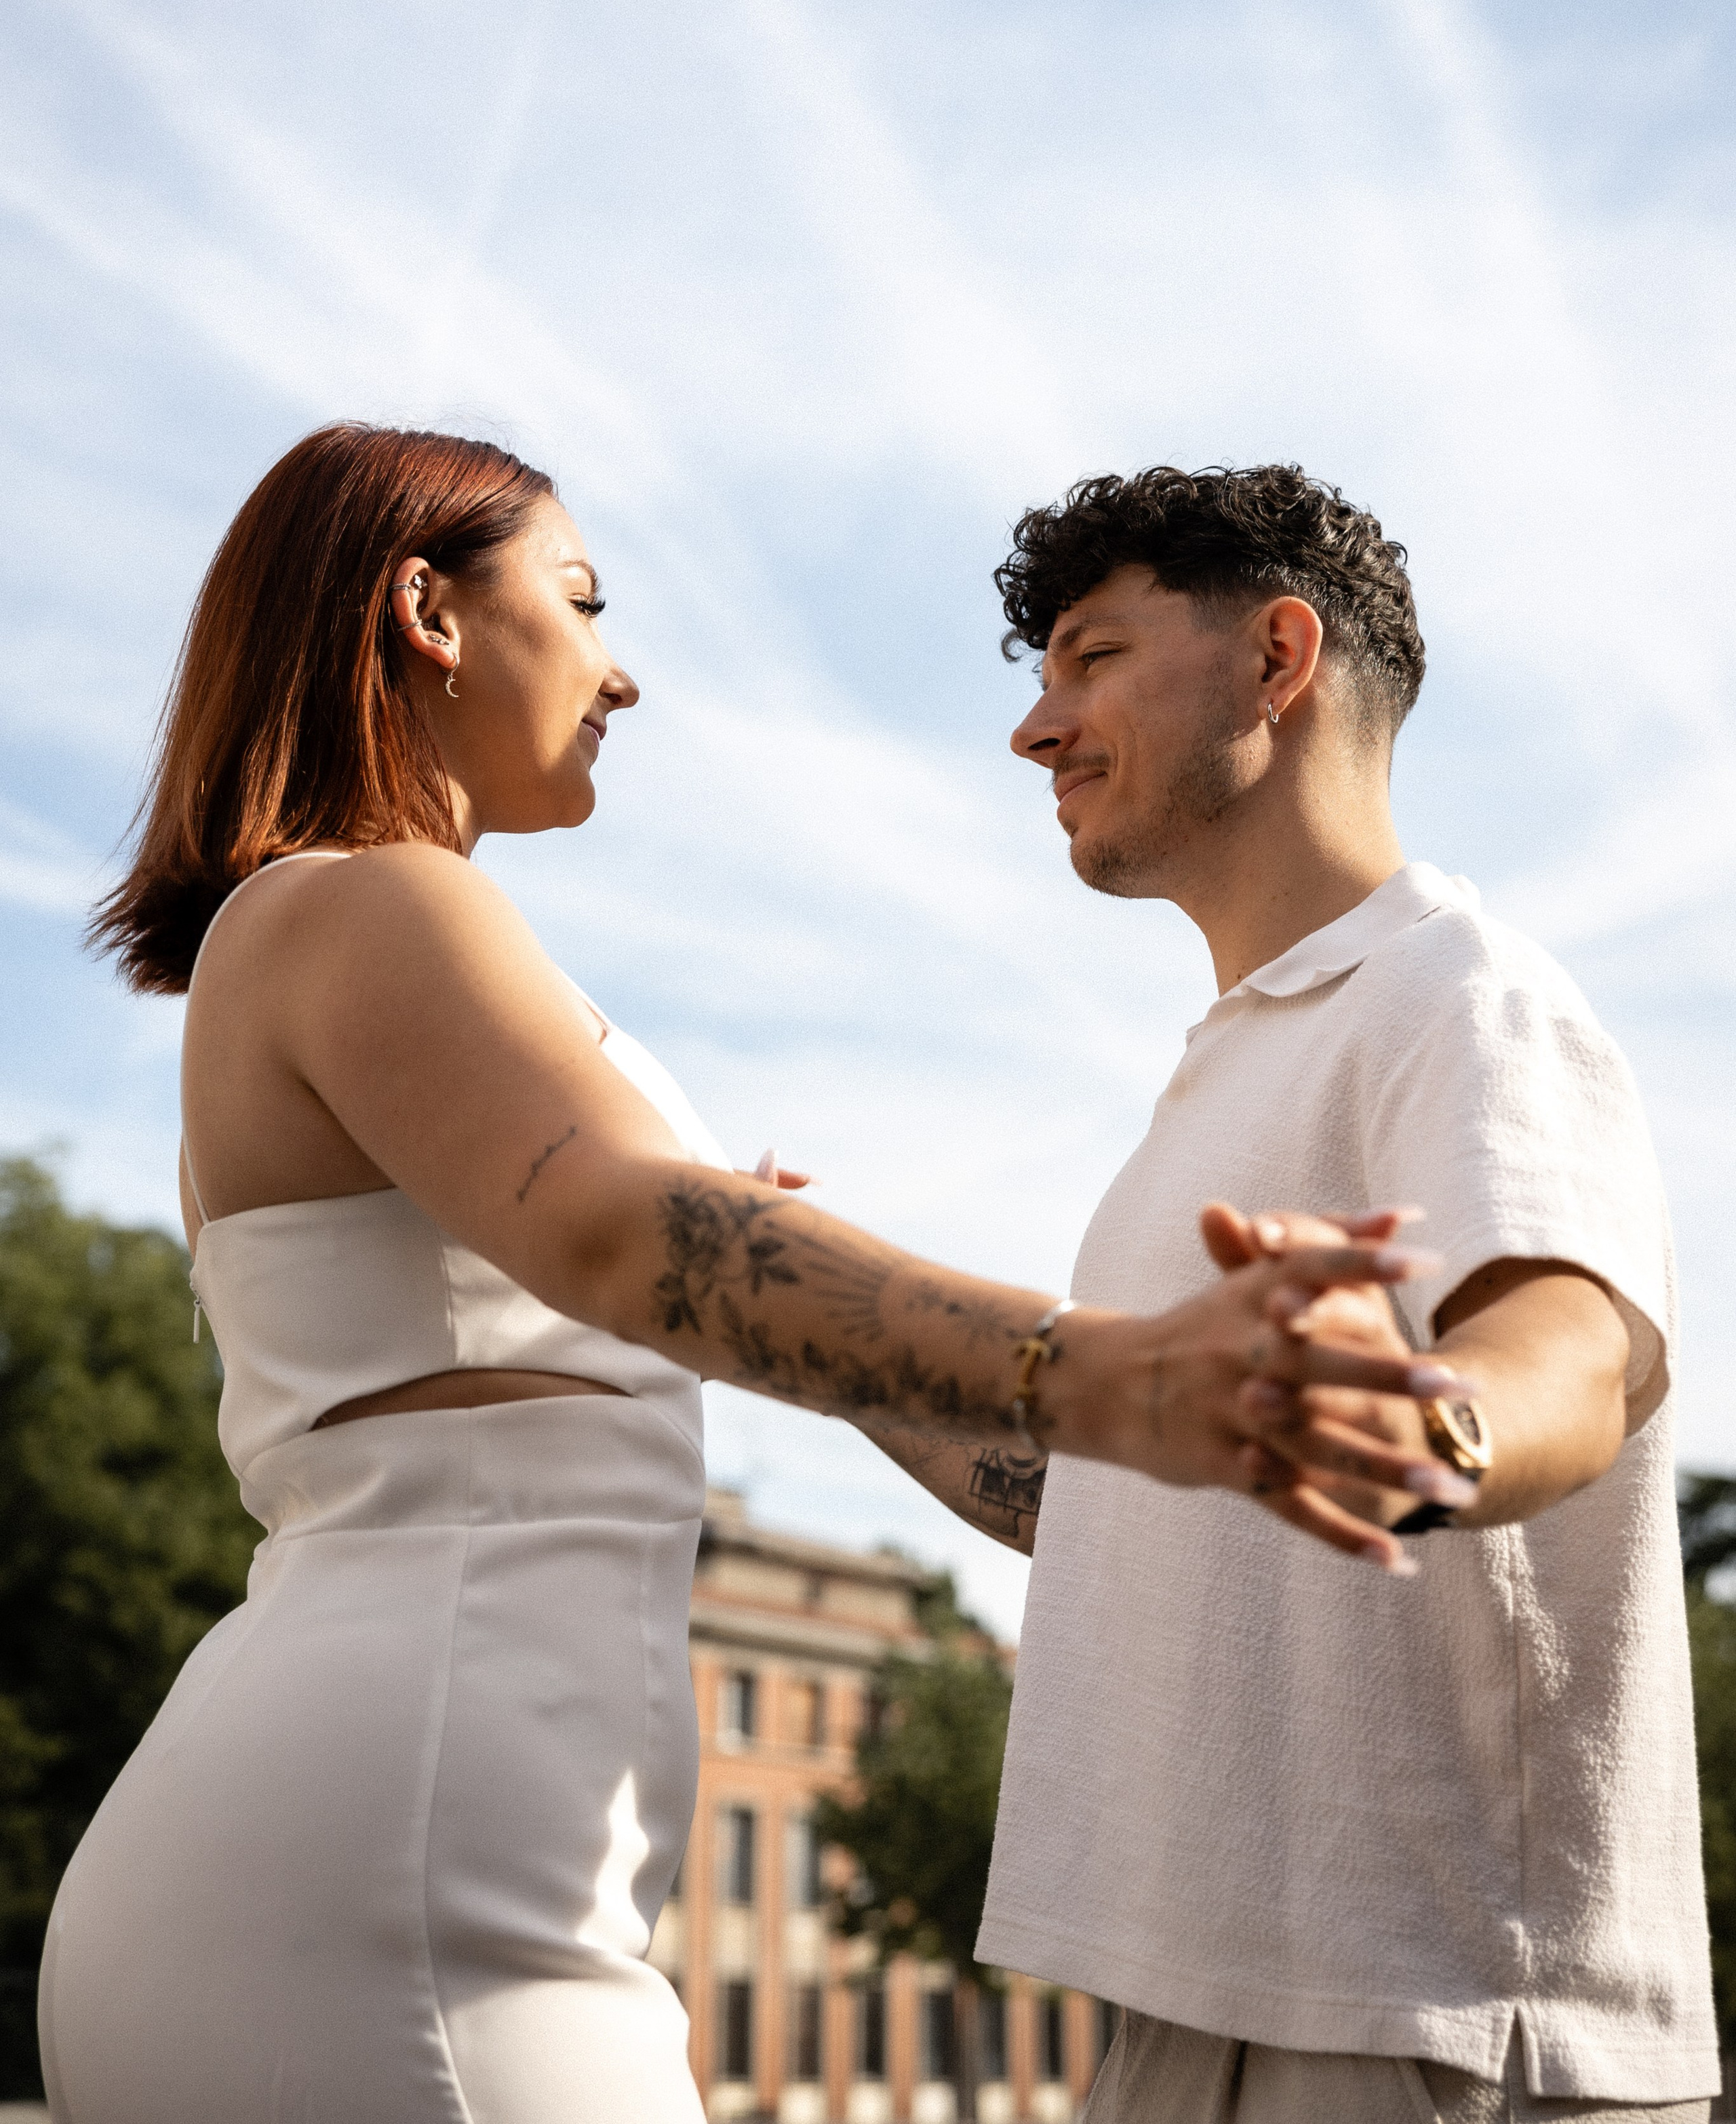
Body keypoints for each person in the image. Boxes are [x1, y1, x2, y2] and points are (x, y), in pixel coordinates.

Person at [38, 425, 1455, 2124]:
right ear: (424, 610)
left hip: (414, 1868)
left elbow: (706, 1291)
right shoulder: (367, 905)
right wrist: (1128, 1373)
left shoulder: (373, 954)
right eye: (578, 598)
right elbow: (629, 1238)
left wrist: (1247, 1457)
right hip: (396, 1896)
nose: (616, 671)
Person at [922, 463, 1718, 2123]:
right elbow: (1111, 1499)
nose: (1035, 726)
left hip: (1423, 2022)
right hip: (1193, 2004)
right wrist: (808, 1336)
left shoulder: (1456, 995)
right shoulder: (1234, 1072)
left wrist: (1421, 1420)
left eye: (1089, 657)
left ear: (1276, 659)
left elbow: (1563, 1358)